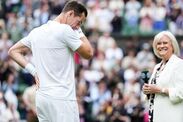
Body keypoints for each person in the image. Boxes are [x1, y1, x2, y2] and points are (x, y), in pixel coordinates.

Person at [8, 1, 93, 122]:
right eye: (79, 22)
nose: (78, 26)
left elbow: (13, 51)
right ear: (70, 13)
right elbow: (89, 53)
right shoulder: (65, 30)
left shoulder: (36, 32)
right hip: (62, 99)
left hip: (42, 99)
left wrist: (33, 71)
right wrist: (79, 32)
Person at [142, 31, 183, 122]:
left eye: (165, 43)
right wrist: (147, 91)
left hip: (171, 117)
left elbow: (181, 93)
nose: (161, 46)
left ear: (172, 45)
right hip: (156, 116)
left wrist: (160, 90)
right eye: (159, 43)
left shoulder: (179, 64)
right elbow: (154, 92)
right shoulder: (157, 67)